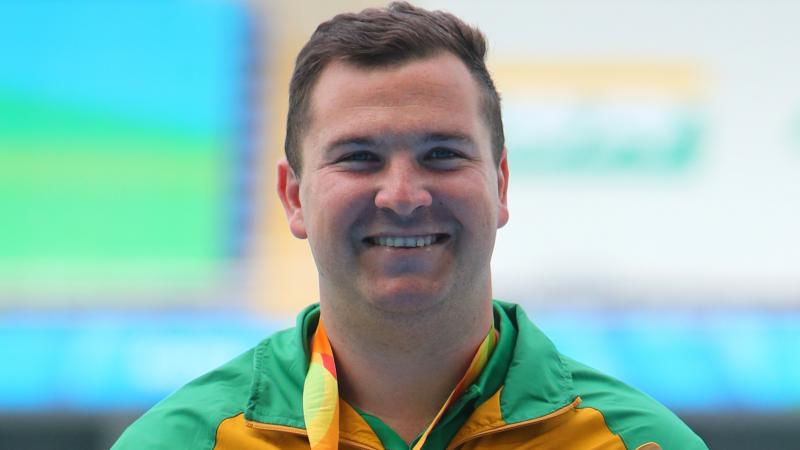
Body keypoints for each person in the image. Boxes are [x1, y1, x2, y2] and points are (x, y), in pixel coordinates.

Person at [113, 3, 708, 449]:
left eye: (443, 154)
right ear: (293, 197)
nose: (402, 196)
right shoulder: (177, 442)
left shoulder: (639, 443)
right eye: (358, 156)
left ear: (500, 185)